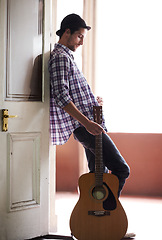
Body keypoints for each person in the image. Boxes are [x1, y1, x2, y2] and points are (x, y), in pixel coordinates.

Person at [48, 13, 130, 197]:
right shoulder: (60, 57)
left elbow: (73, 94)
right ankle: (108, 212)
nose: (82, 42)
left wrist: (94, 100)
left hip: (90, 124)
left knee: (98, 175)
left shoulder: (67, 57)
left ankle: (94, 219)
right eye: (80, 36)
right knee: (122, 169)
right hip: (86, 127)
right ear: (67, 32)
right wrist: (87, 123)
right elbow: (61, 97)